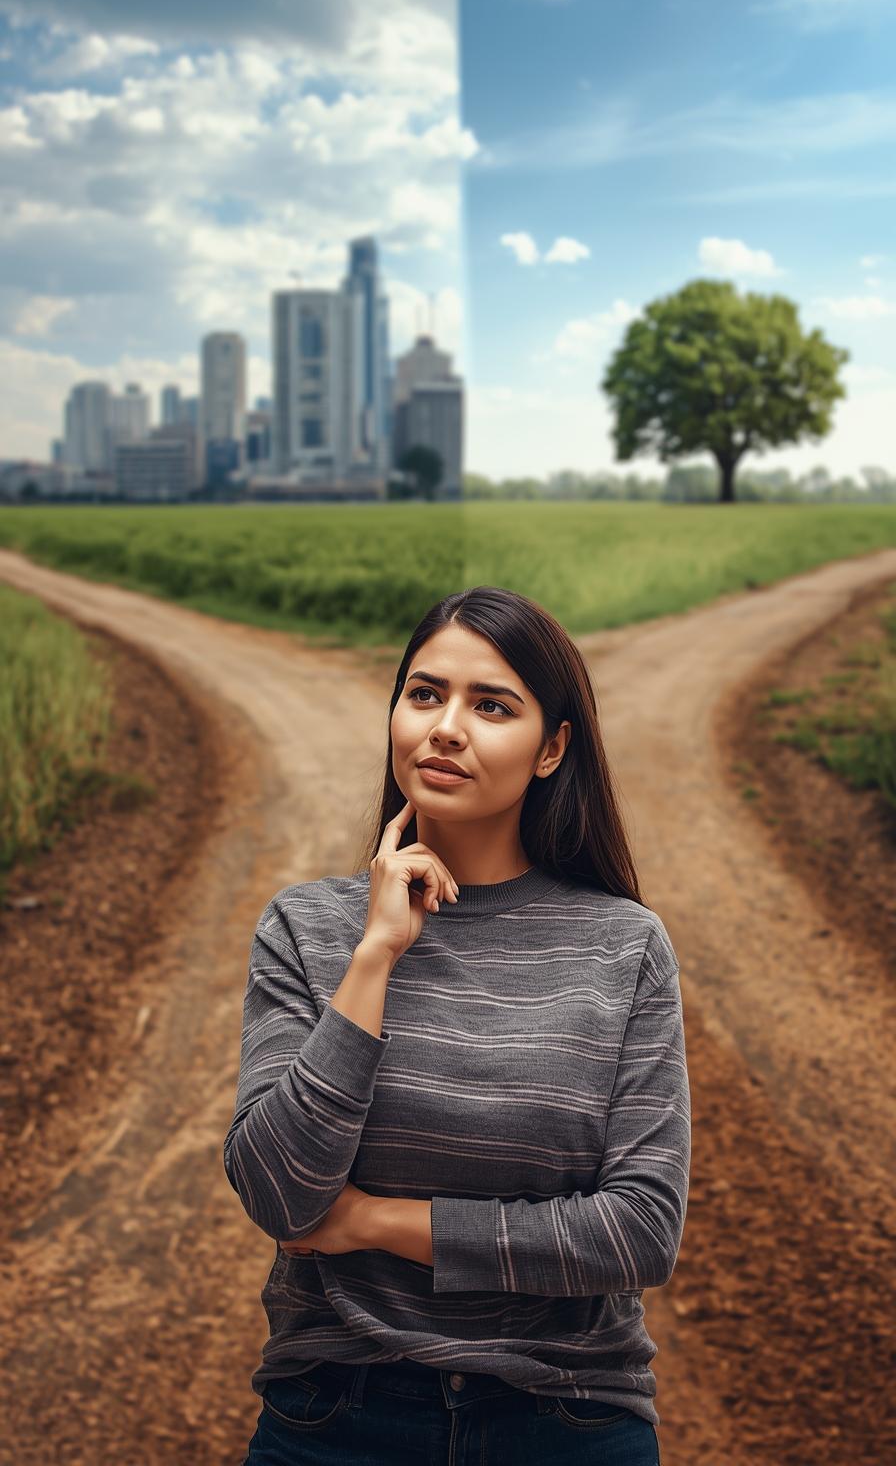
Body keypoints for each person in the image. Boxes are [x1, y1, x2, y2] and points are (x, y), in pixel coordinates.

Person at [224, 585, 691, 1464]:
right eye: (425, 693)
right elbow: (278, 1194)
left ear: (552, 748)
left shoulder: (623, 946)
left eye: (492, 706)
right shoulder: (306, 929)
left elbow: (637, 1231)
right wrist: (374, 958)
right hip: (336, 1411)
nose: (446, 727)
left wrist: (373, 1223)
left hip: (566, 1418)